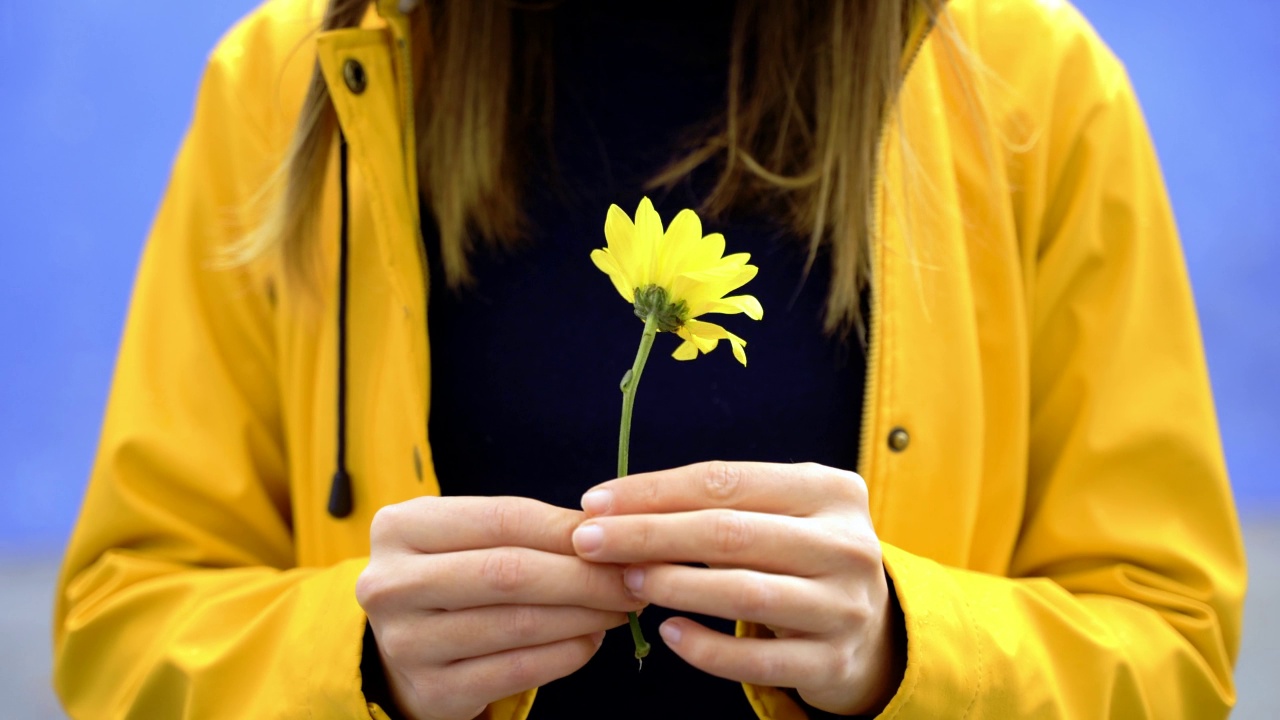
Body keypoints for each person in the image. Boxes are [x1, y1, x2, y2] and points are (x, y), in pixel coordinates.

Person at [52, 0, 1246, 717]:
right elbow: (124, 631)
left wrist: (904, 649)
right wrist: (357, 662)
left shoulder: (1028, 83)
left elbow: (1171, 651)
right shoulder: (292, 81)